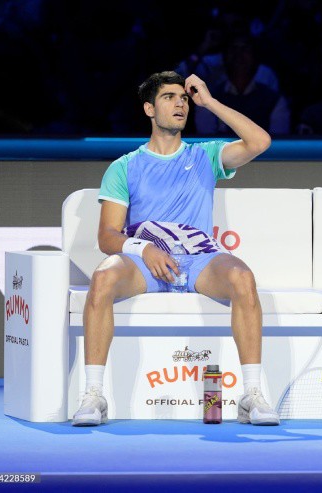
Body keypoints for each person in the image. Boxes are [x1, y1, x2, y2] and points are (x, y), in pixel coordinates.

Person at [72, 71, 279, 426]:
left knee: (243, 277)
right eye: (169, 97)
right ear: (149, 109)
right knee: (103, 278)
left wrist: (210, 102)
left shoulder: (206, 156)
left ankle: (252, 395)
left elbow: (260, 142)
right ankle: (93, 396)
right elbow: (108, 237)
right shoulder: (125, 167)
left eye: (183, 98)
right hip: (145, 265)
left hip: (200, 261)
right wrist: (144, 249)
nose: (180, 103)